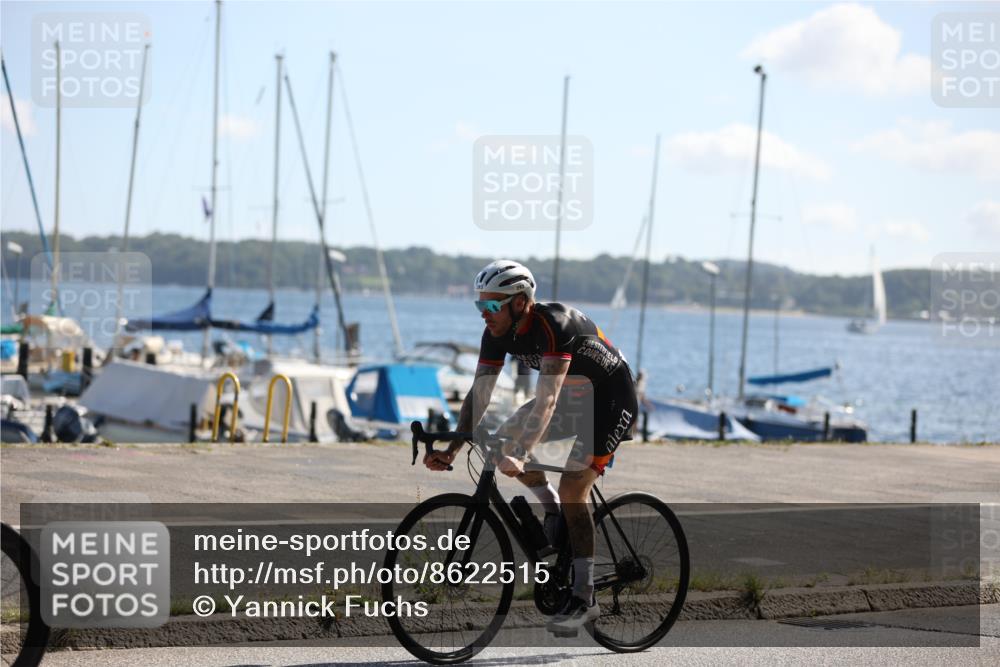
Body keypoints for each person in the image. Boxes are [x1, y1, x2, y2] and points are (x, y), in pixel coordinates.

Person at [424, 260, 638, 635]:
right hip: (573, 397)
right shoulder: (496, 332)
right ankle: (554, 513)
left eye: (492, 305)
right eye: (480, 305)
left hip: (610, 398)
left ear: (520, 302)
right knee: (500, 446)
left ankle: (585, 596)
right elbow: (480, 393)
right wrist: (452, 449)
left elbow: (547, 401)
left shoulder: (555, 325)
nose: (484, 313)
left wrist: (522, 453)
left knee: (573, 488)